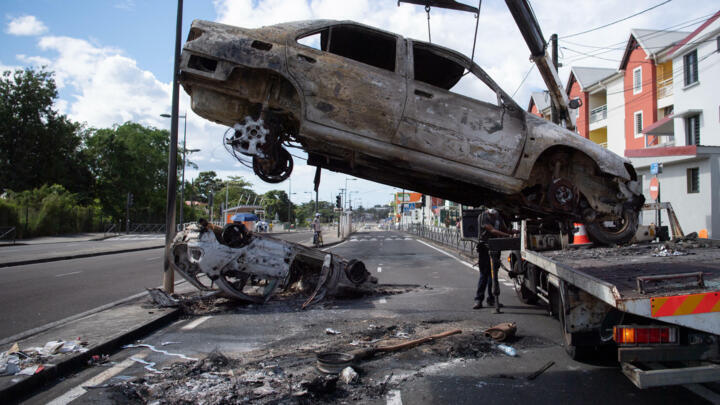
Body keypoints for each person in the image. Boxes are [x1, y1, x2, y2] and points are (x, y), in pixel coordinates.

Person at [474, 208, 518, 309]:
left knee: (493, 275)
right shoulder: (483, 217)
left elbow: (504, 229)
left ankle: (492, 299)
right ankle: (478, 300)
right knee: (484, 275)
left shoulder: (498, 216)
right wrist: (508, 235)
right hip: (485, 248)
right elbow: (492, 230)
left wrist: (512, 232)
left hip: (496, 247)